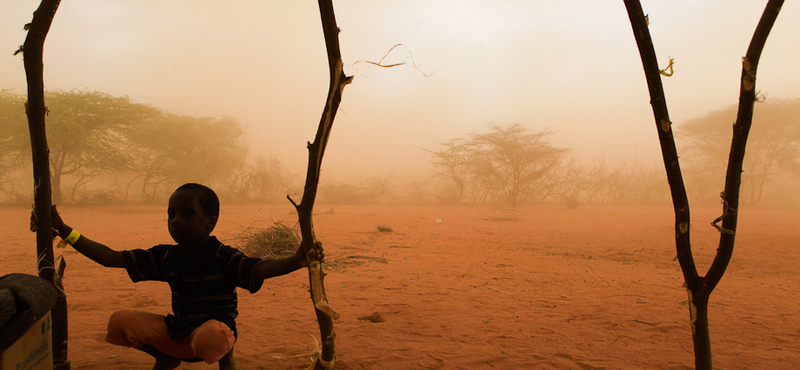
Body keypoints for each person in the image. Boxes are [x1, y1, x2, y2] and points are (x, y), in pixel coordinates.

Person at [31, 183, 321, 370]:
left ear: (211, 221)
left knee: (215, 333)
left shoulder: (223, 256)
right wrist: (65, 230)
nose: (176, 221)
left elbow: (257, 269)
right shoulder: (167, 256)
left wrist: (296, 261)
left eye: (186, 214)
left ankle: (226, 359)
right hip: (179, 331)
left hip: (211, 337)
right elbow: (111, 258)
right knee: (120, 320)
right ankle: (166, 357)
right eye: (171, 215)